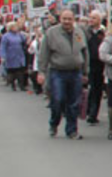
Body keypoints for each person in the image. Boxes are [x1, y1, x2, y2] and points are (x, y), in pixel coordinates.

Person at [37, 9, 88, 139]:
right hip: (58, 72)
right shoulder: (51, 33)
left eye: (69, 19)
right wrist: (41, 72)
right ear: (60, 19)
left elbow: (85, 52)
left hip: (75, 72)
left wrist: (86, 72)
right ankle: (54, 123)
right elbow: (44, 53)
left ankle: (71, 130)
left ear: (73, 20)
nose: (66, 21)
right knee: (58, 99)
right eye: (64, 19)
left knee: (74, 102)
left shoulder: (79, 32)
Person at [84, 11, 106, 125]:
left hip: (101, 65)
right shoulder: (85, 32)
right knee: (91, 88)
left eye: (94, 18)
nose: (91, 20)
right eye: (90, 17)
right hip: (89, 64)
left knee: (98, 89)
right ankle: (89, 112)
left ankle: (94, 113)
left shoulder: (104, 32)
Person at [0, 22, 28, 91]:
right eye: (15, 26)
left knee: (20, 71)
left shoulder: (19, 35)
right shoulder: (6, 36)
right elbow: (3, 47)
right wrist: (2, 56)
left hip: (19, 54)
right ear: (11, 28)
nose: (17, 27)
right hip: (10, 55)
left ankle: (21, 86)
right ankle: (12, 84)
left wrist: (27, 37)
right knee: (12, 71)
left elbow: (24, 42)